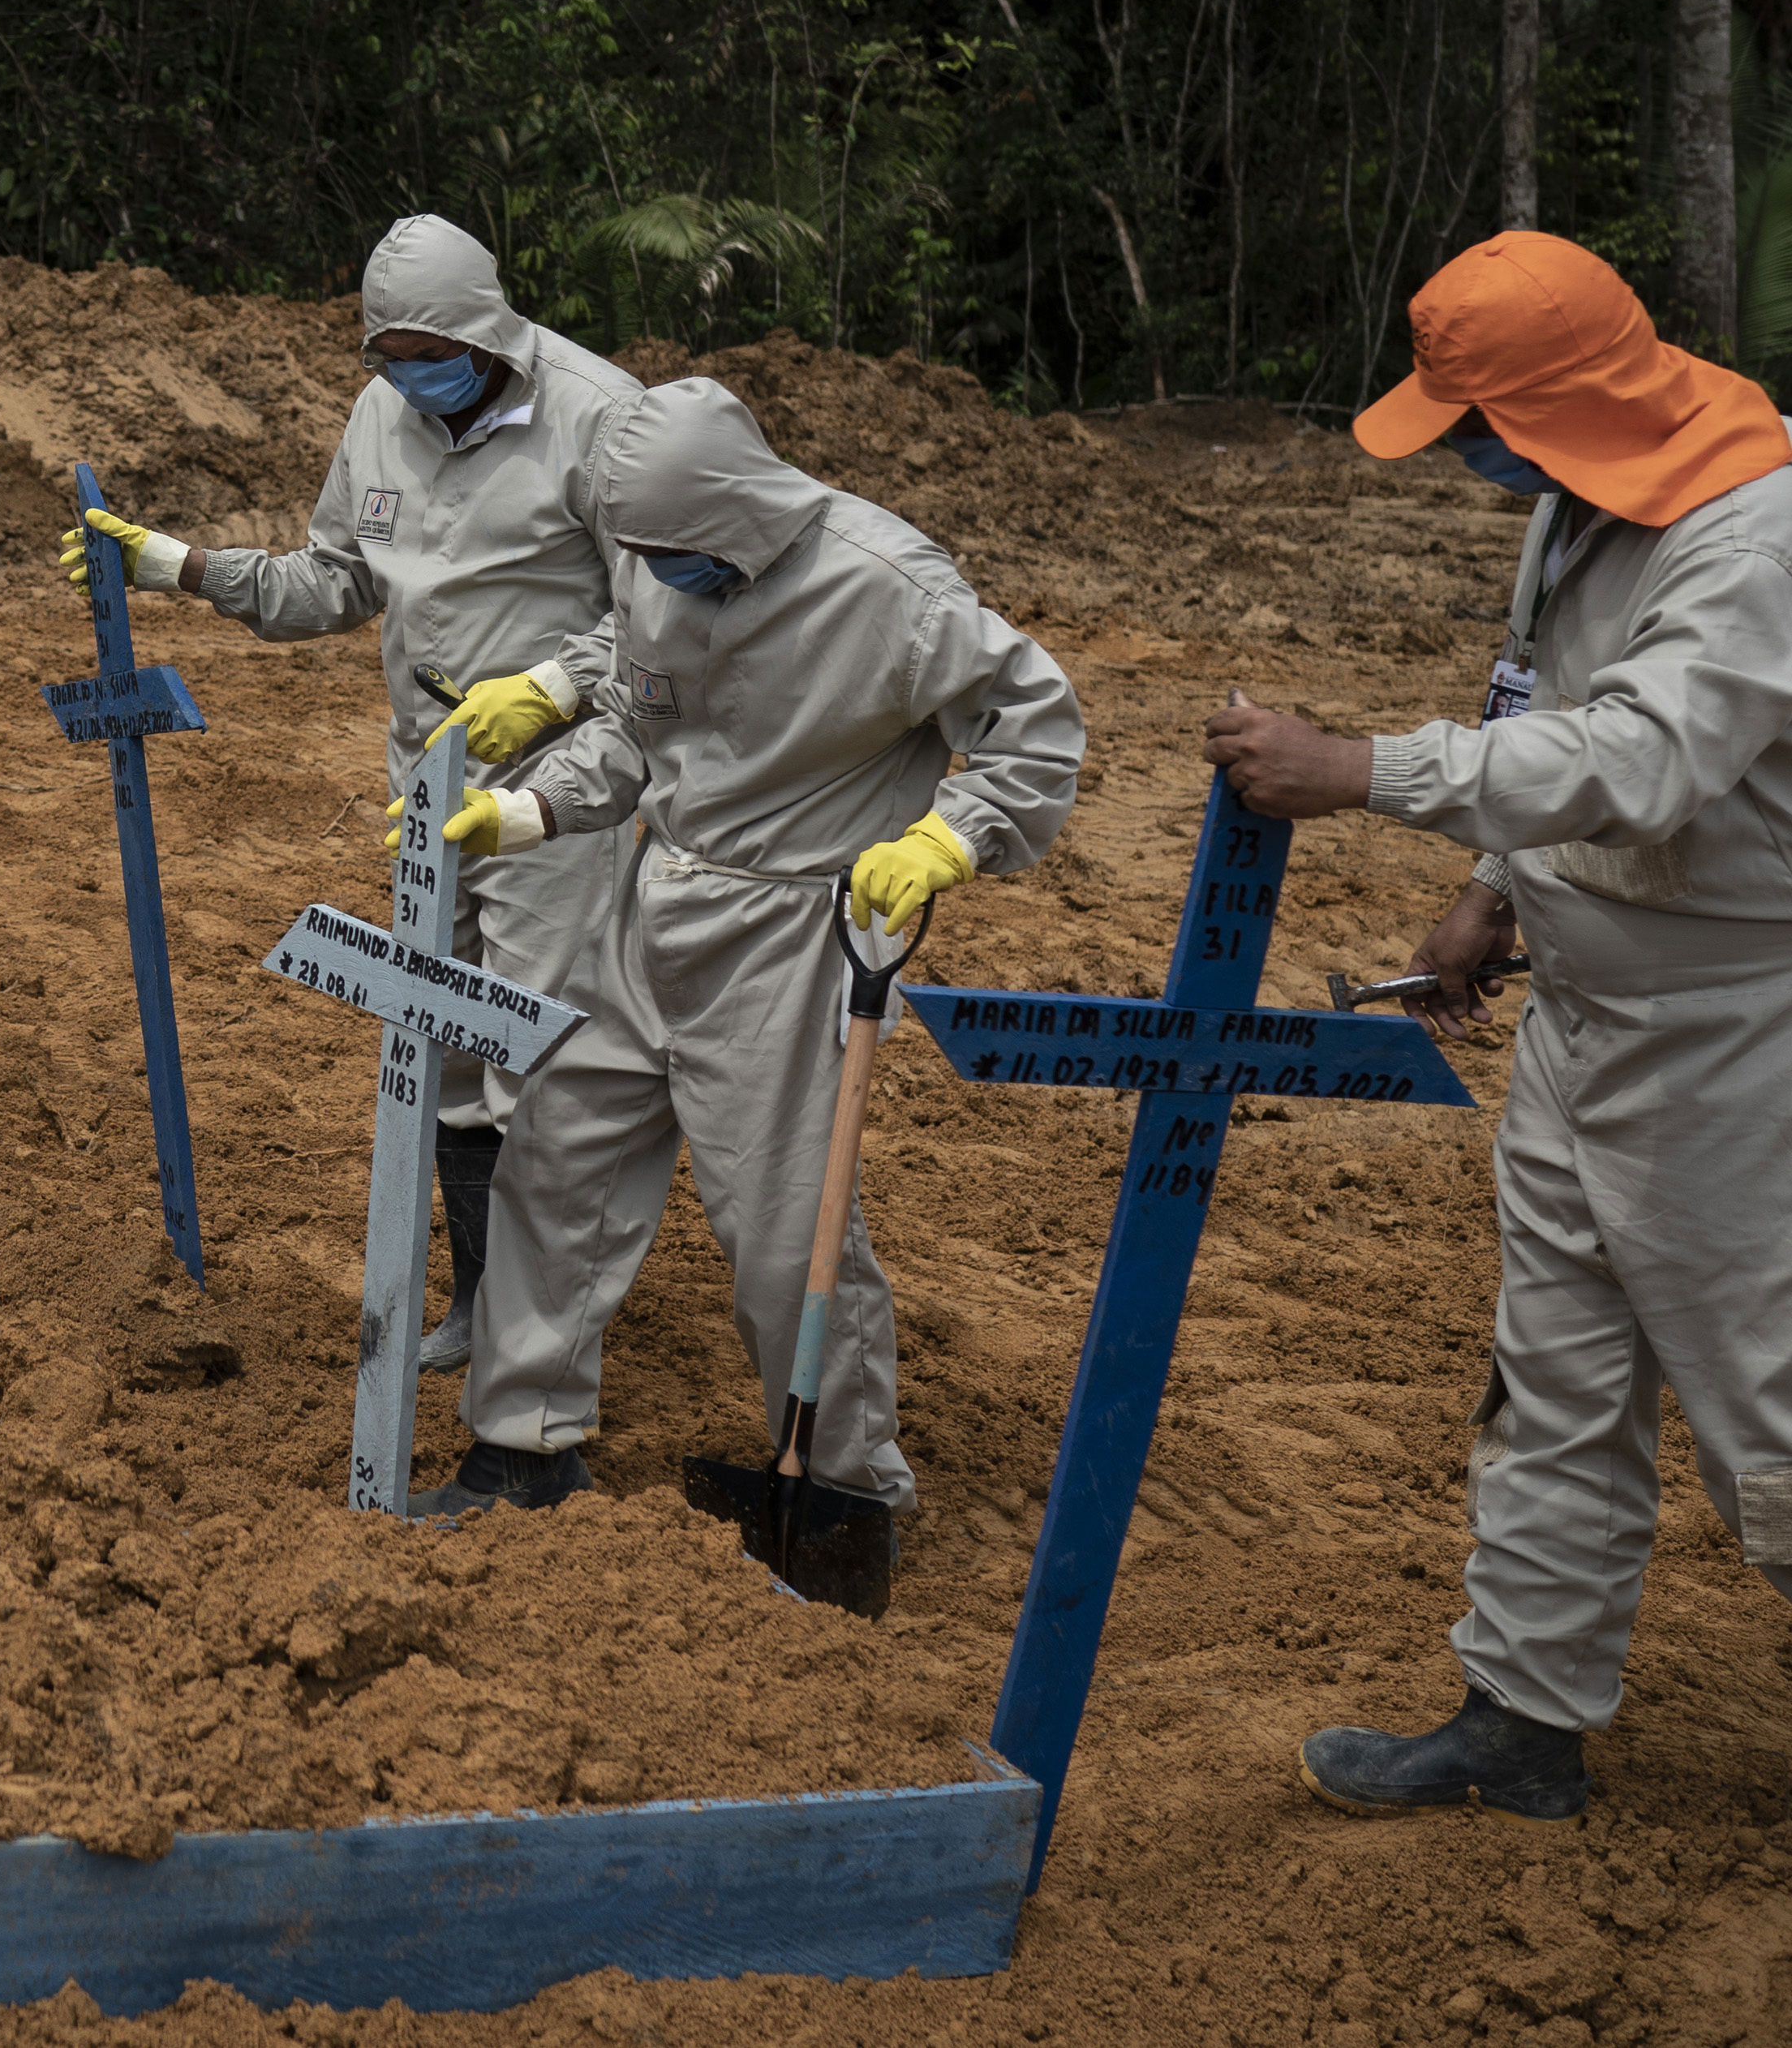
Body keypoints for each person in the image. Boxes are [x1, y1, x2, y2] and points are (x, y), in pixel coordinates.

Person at [1206, 229, 1792, 1825]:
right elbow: (1536, 697)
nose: (1464, 453)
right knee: (1550, 1380)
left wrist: (1370, 770)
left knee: (1771, 1405)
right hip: (1589, 1018)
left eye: (1477, 423)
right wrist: (1496, 887)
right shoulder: (1579, 501)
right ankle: (1522, 1722)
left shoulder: (1752, 542)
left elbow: (1642, 760)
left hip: (1743, 1037)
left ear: (1562, 403)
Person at [428, 376, 1083, 1534]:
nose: (652, 572)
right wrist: (529, 810)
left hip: (793, 929)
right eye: (636, 551)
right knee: (556, 1155)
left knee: (786, 1233)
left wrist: (950, 834)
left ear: (740, 514)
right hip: (651, 899)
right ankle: (523, 1442)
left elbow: (1034, 730)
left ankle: (843, 1483)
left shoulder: (892, 589)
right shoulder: (650, 558)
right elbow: (638, 723)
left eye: (673, 550)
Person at [62, 213, 641, 1370]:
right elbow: (332, 580)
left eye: (432, 350)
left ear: (490, 334)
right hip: (426, 776)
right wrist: (175, 564)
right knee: (444, 1047)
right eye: (390, 353)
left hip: (559, 781)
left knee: (540, 1058)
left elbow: (674, 619)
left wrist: (555, 686)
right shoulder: (387, 413)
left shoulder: (605, 420)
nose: (411, 373)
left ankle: (543, 1350)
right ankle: (483, 1302)